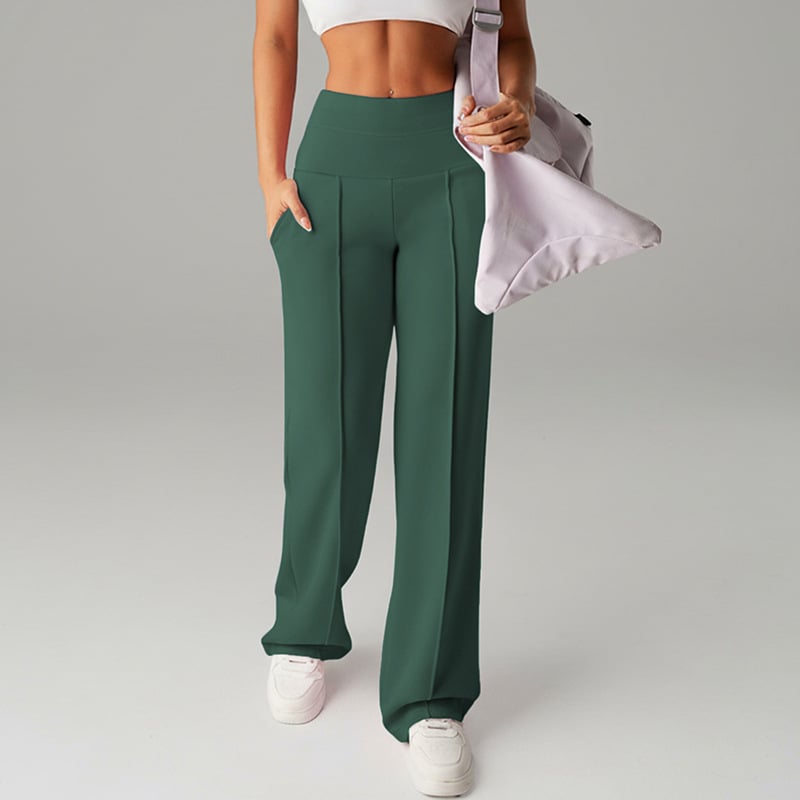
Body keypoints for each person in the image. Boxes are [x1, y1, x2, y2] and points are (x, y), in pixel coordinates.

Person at [252, 0, 535, 794]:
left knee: (445, 429)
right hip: (334, 159)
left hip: (451, 160)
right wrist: (270, 178)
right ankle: (303, 625)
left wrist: (514, 100)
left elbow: (513, 34)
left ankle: (431, 691)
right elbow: (274, 34)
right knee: (325, 422)